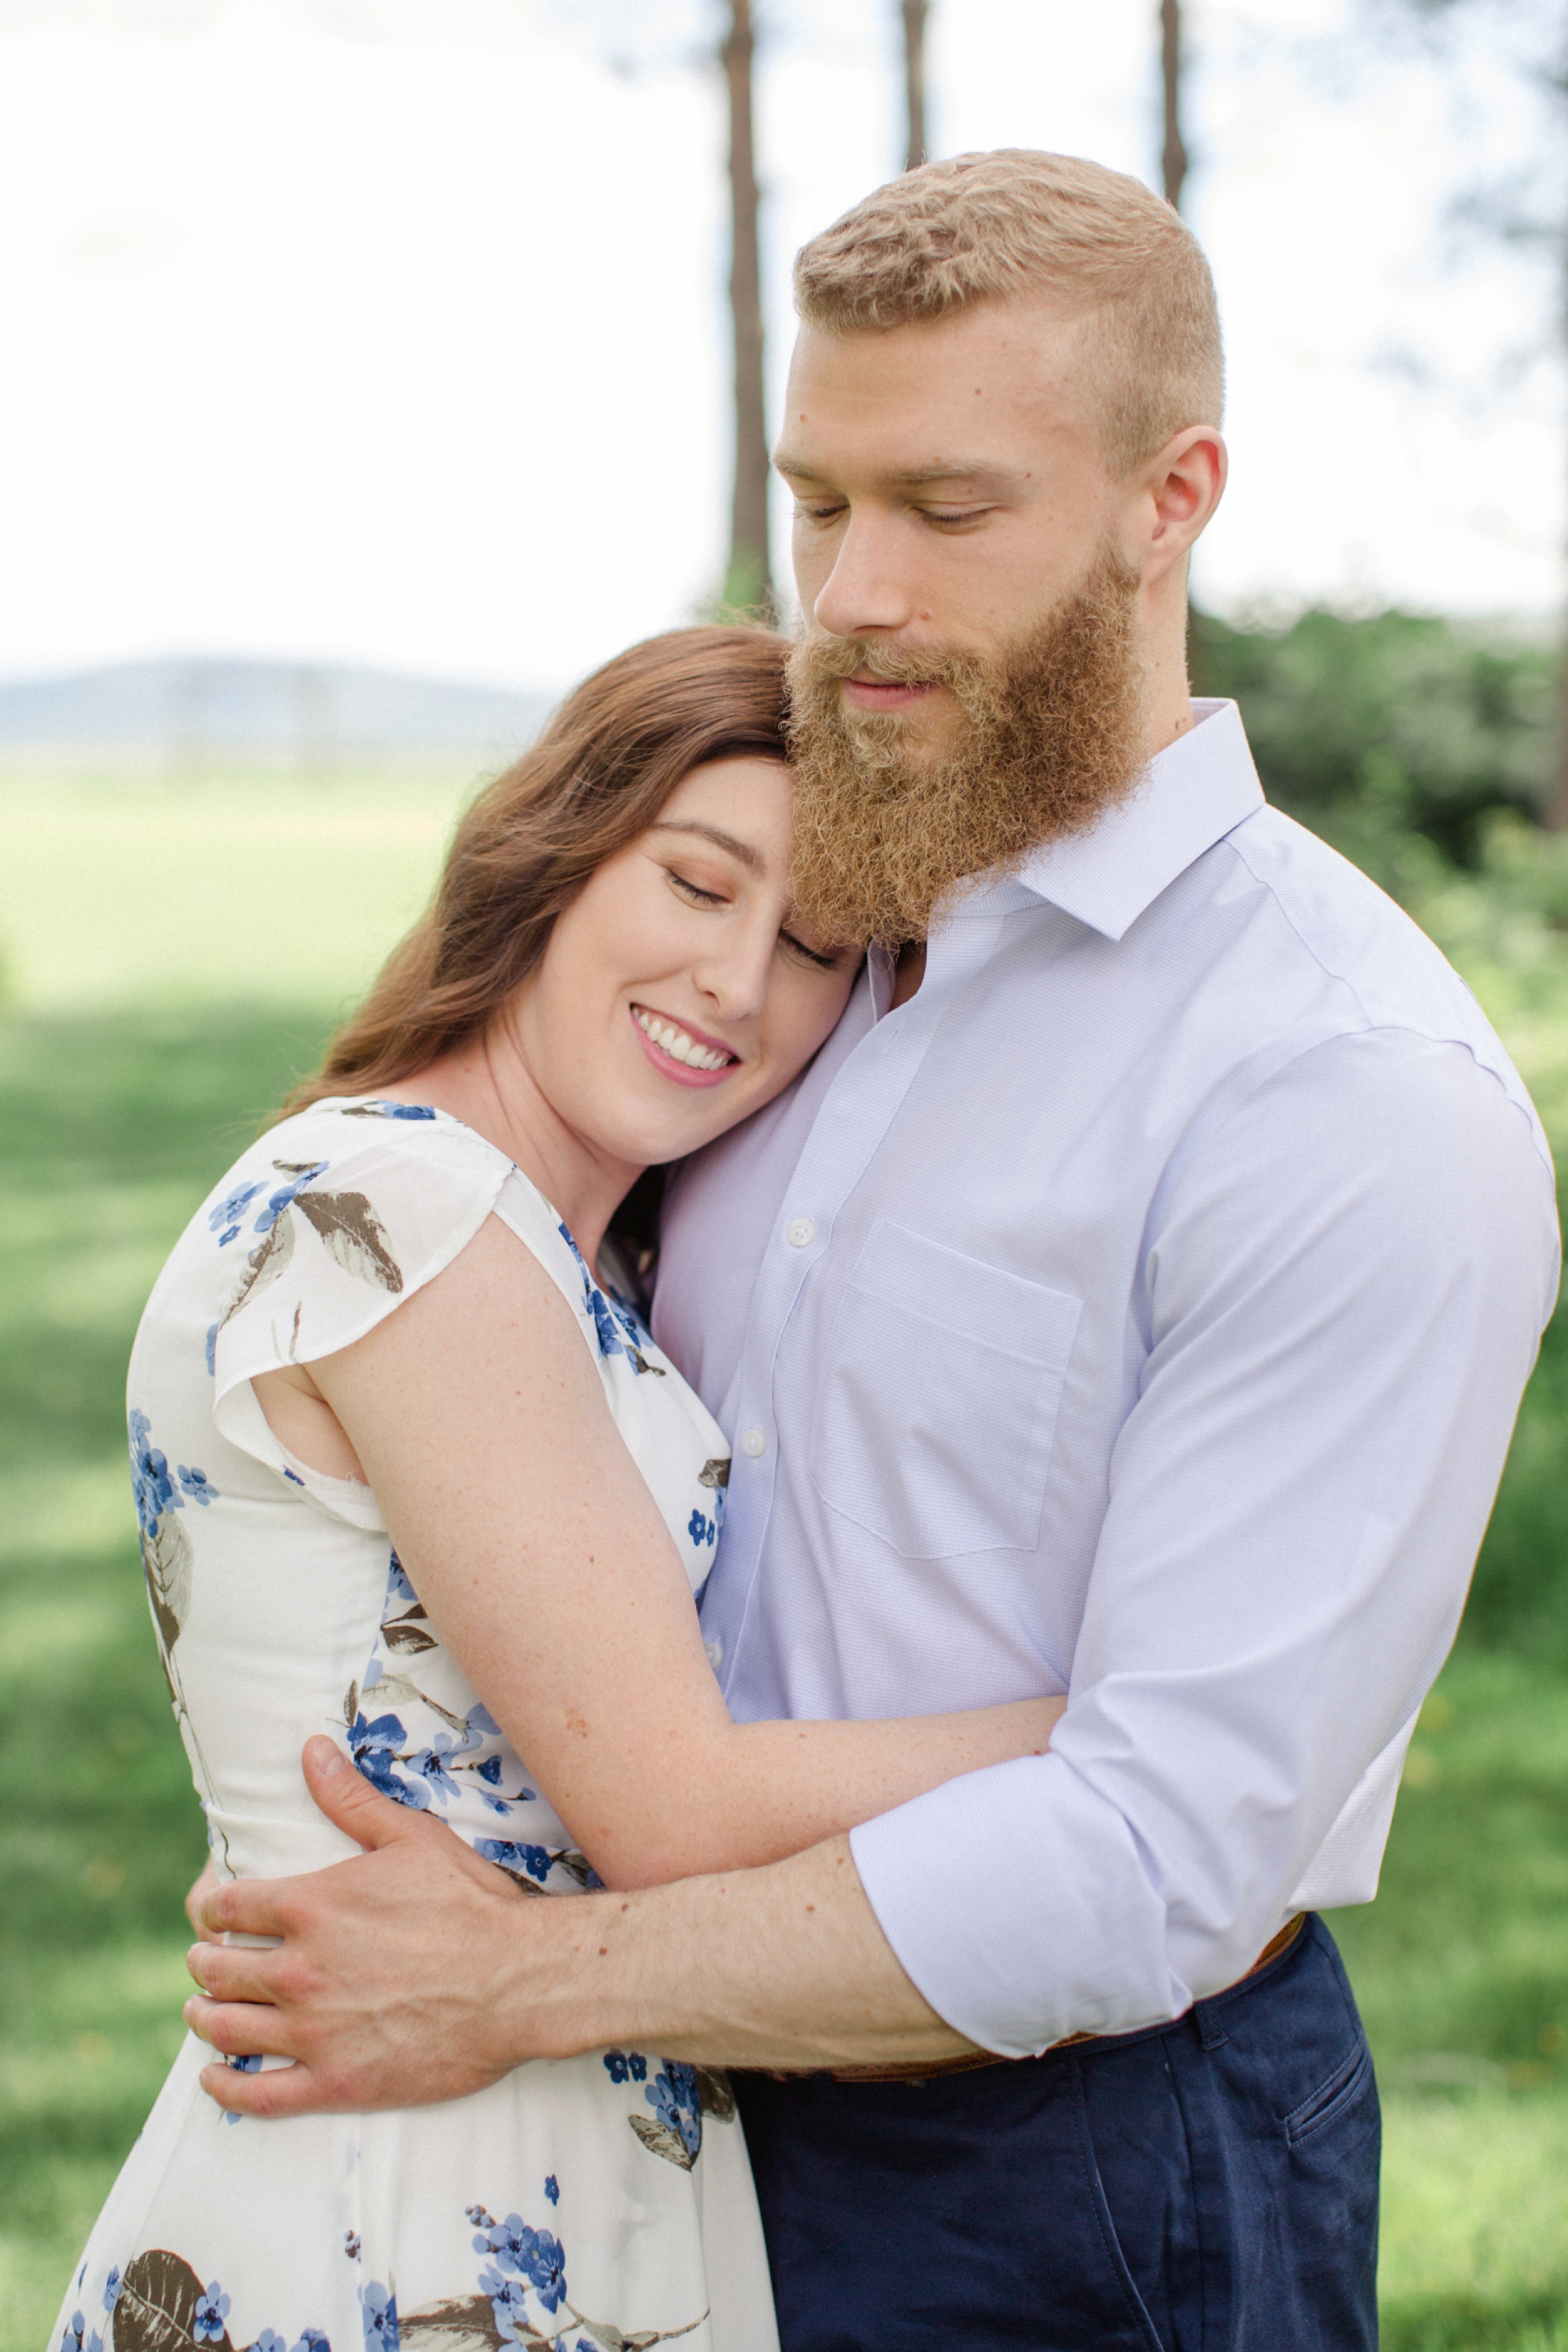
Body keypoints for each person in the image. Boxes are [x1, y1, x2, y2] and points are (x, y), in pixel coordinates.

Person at [182, 154, 1558, 2351]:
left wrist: (525, 1981)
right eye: (820, 505)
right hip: (648, 2115)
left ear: (1164, 498)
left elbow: (1152, 1860)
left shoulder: (1337, 1089)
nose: (856, 594)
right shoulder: (808, 969)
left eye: (945, 506)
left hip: (1065, 2162)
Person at [49, 625, 1072, 2352]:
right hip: (413, 2189)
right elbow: (670, 1809)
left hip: (525, 2114)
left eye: (817, 944)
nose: (740, 985)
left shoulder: (540, 1247)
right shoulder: (418, 1222)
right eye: (694, 883)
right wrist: (1143, 1725)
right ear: (553, 852)